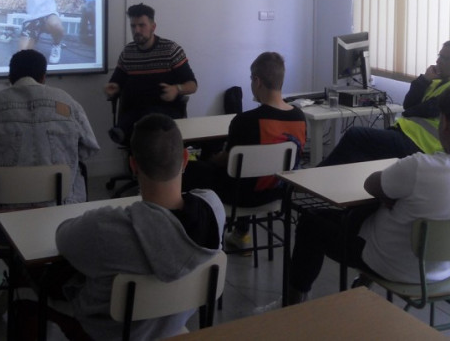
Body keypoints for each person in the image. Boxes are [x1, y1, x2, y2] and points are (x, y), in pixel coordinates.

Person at [44, 114, 226, 340]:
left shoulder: (105, 227)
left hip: (109, 331)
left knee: (31, 286)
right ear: (185, 158)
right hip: (174, 323)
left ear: (133, 165)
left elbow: (63, 238)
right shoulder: (214, 208)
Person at [288, 87, 450, 305]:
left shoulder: (420, 167)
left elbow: (371, 184)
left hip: (389, 265)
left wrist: (390, 196)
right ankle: (363, 282)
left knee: (311, 222)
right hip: (441, 273)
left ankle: (295, 301)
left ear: (445, 124)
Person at [0, 49, 100, 244]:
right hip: (62, 215)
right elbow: (89, 150)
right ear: (44, 77)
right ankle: (41, 272)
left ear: (10, 77)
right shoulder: (69, 104)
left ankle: (24, 270)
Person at [182, 52, 306, 250]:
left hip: (239, 196)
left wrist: (211, 158)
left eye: (251, 79)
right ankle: (241, 233)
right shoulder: (299, 118)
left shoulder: (244, 121)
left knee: (188, 169)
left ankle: (194, 240)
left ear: (257, 81)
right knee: (247, 172)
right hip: (277, 194)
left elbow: (228, 160)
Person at [318, 41, 450, 166]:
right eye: (439, 55)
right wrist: (424, 79)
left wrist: (410, 110)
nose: (438, 61)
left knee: (355, 136)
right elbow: (408, 104)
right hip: (406, 135)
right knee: (360, 151)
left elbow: (422, 110)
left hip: (422, 145)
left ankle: (316, 177)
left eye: (443, 58)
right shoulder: (436, 82)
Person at [104, 3, 198, 144]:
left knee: (148, 117)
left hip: (164, 109)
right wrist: (112, 88)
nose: (137, 30)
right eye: (133, 26)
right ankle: (123, 131)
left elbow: (192, 85)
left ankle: (124, 130)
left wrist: (176, 89)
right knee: (137, 116)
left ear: (153, 27)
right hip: (135, 108)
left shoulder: (170, 50)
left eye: (142, 25)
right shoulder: (128, 52)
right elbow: (117, 81)